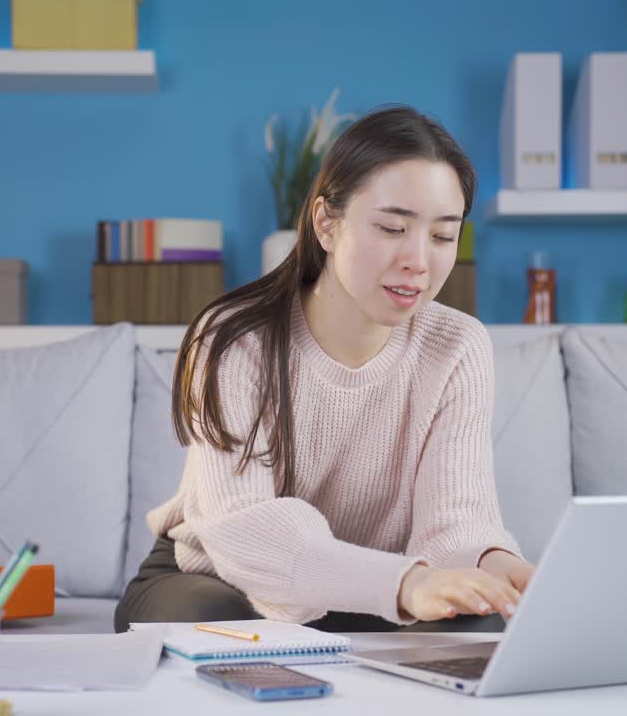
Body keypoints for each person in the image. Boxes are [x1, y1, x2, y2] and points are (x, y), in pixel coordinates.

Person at [114, 105, 533, 634]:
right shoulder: (233, 339)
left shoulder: (459, 346)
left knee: (485, 619)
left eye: (443, 237)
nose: (418, 261)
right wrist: (402, 584)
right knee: (219, 623)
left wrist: (500, 569)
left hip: (382, 585)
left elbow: (456, 519)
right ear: (325, 224)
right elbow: (242, 530)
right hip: (221, 578)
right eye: (391, 227)